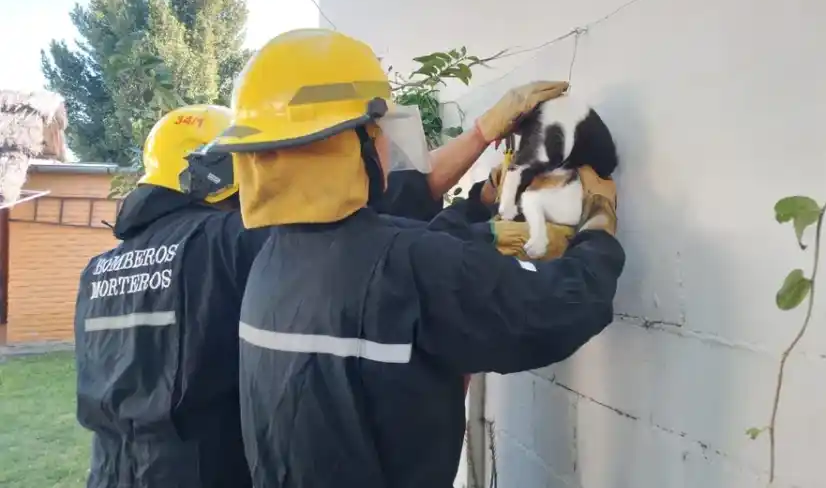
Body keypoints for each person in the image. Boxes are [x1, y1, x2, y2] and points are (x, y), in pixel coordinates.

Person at [206, 27, 626, 488]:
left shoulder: (271, 263)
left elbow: (401, 248)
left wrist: (481, 207)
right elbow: (557, 309)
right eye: (377, 130)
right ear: (350, 145)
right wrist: (598, 227)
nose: (387, 145)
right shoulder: (406, 266)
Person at [74, 103, 270, 488]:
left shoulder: (97, 269)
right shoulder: (232, 240)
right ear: (214, 168)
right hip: (202, 472)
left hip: (110, 473)